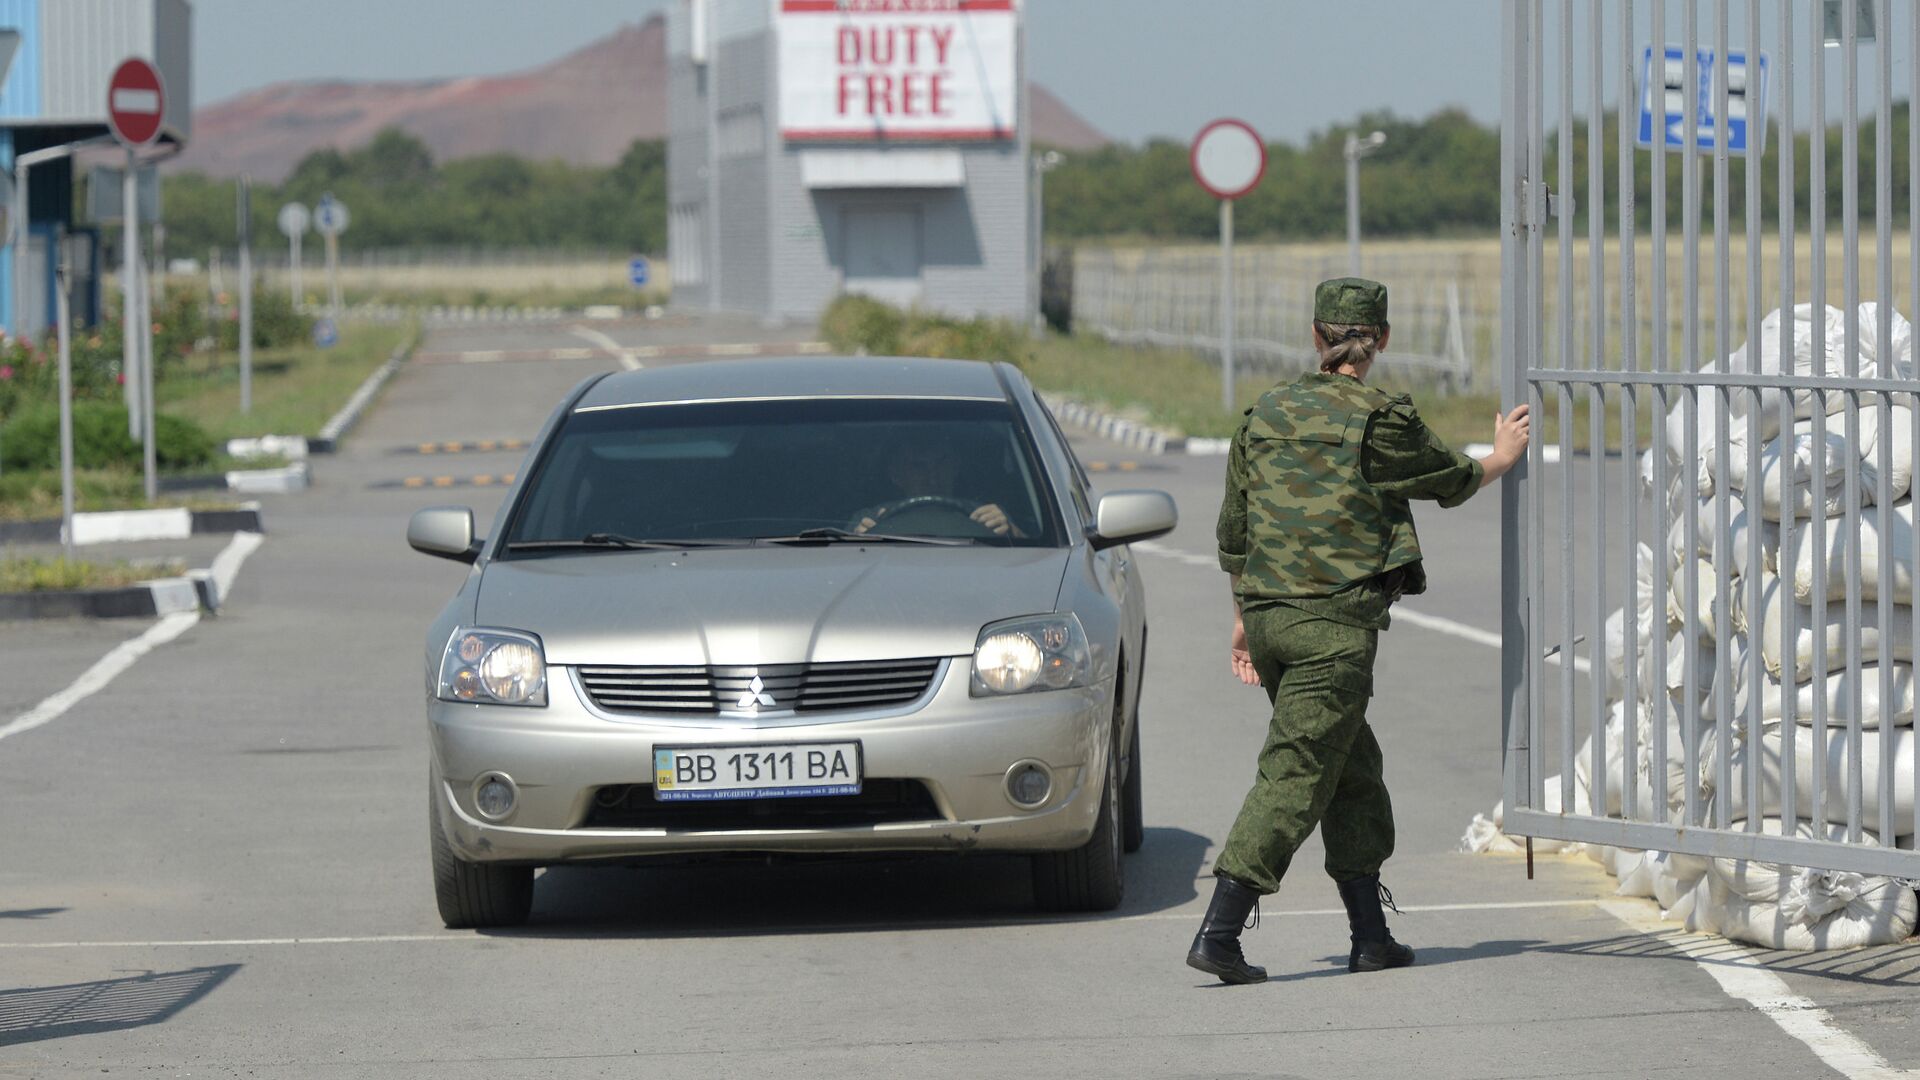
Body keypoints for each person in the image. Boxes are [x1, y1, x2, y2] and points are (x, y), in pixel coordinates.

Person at [1186, 277, 1530, 985]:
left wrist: (1242, 624)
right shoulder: (1380, 419)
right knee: (1296, 775)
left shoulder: (1263, 413)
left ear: (1315, 335)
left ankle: (1370, 937)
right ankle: (1220, 931)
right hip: (1331, 633)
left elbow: (1234, 534)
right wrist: (1502, 453)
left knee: (1352, 775)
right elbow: (1451, 478)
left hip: (1272, 621)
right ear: (1383, 342)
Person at [850, 428, 1024, 538]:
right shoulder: (871, 519)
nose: (933, 477)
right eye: (918, 467)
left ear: (956, 466)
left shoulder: (986, 516)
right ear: (896, 475)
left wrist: (1012, 532)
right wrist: (859, 541)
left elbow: (1035, 556)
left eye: (942, 463)